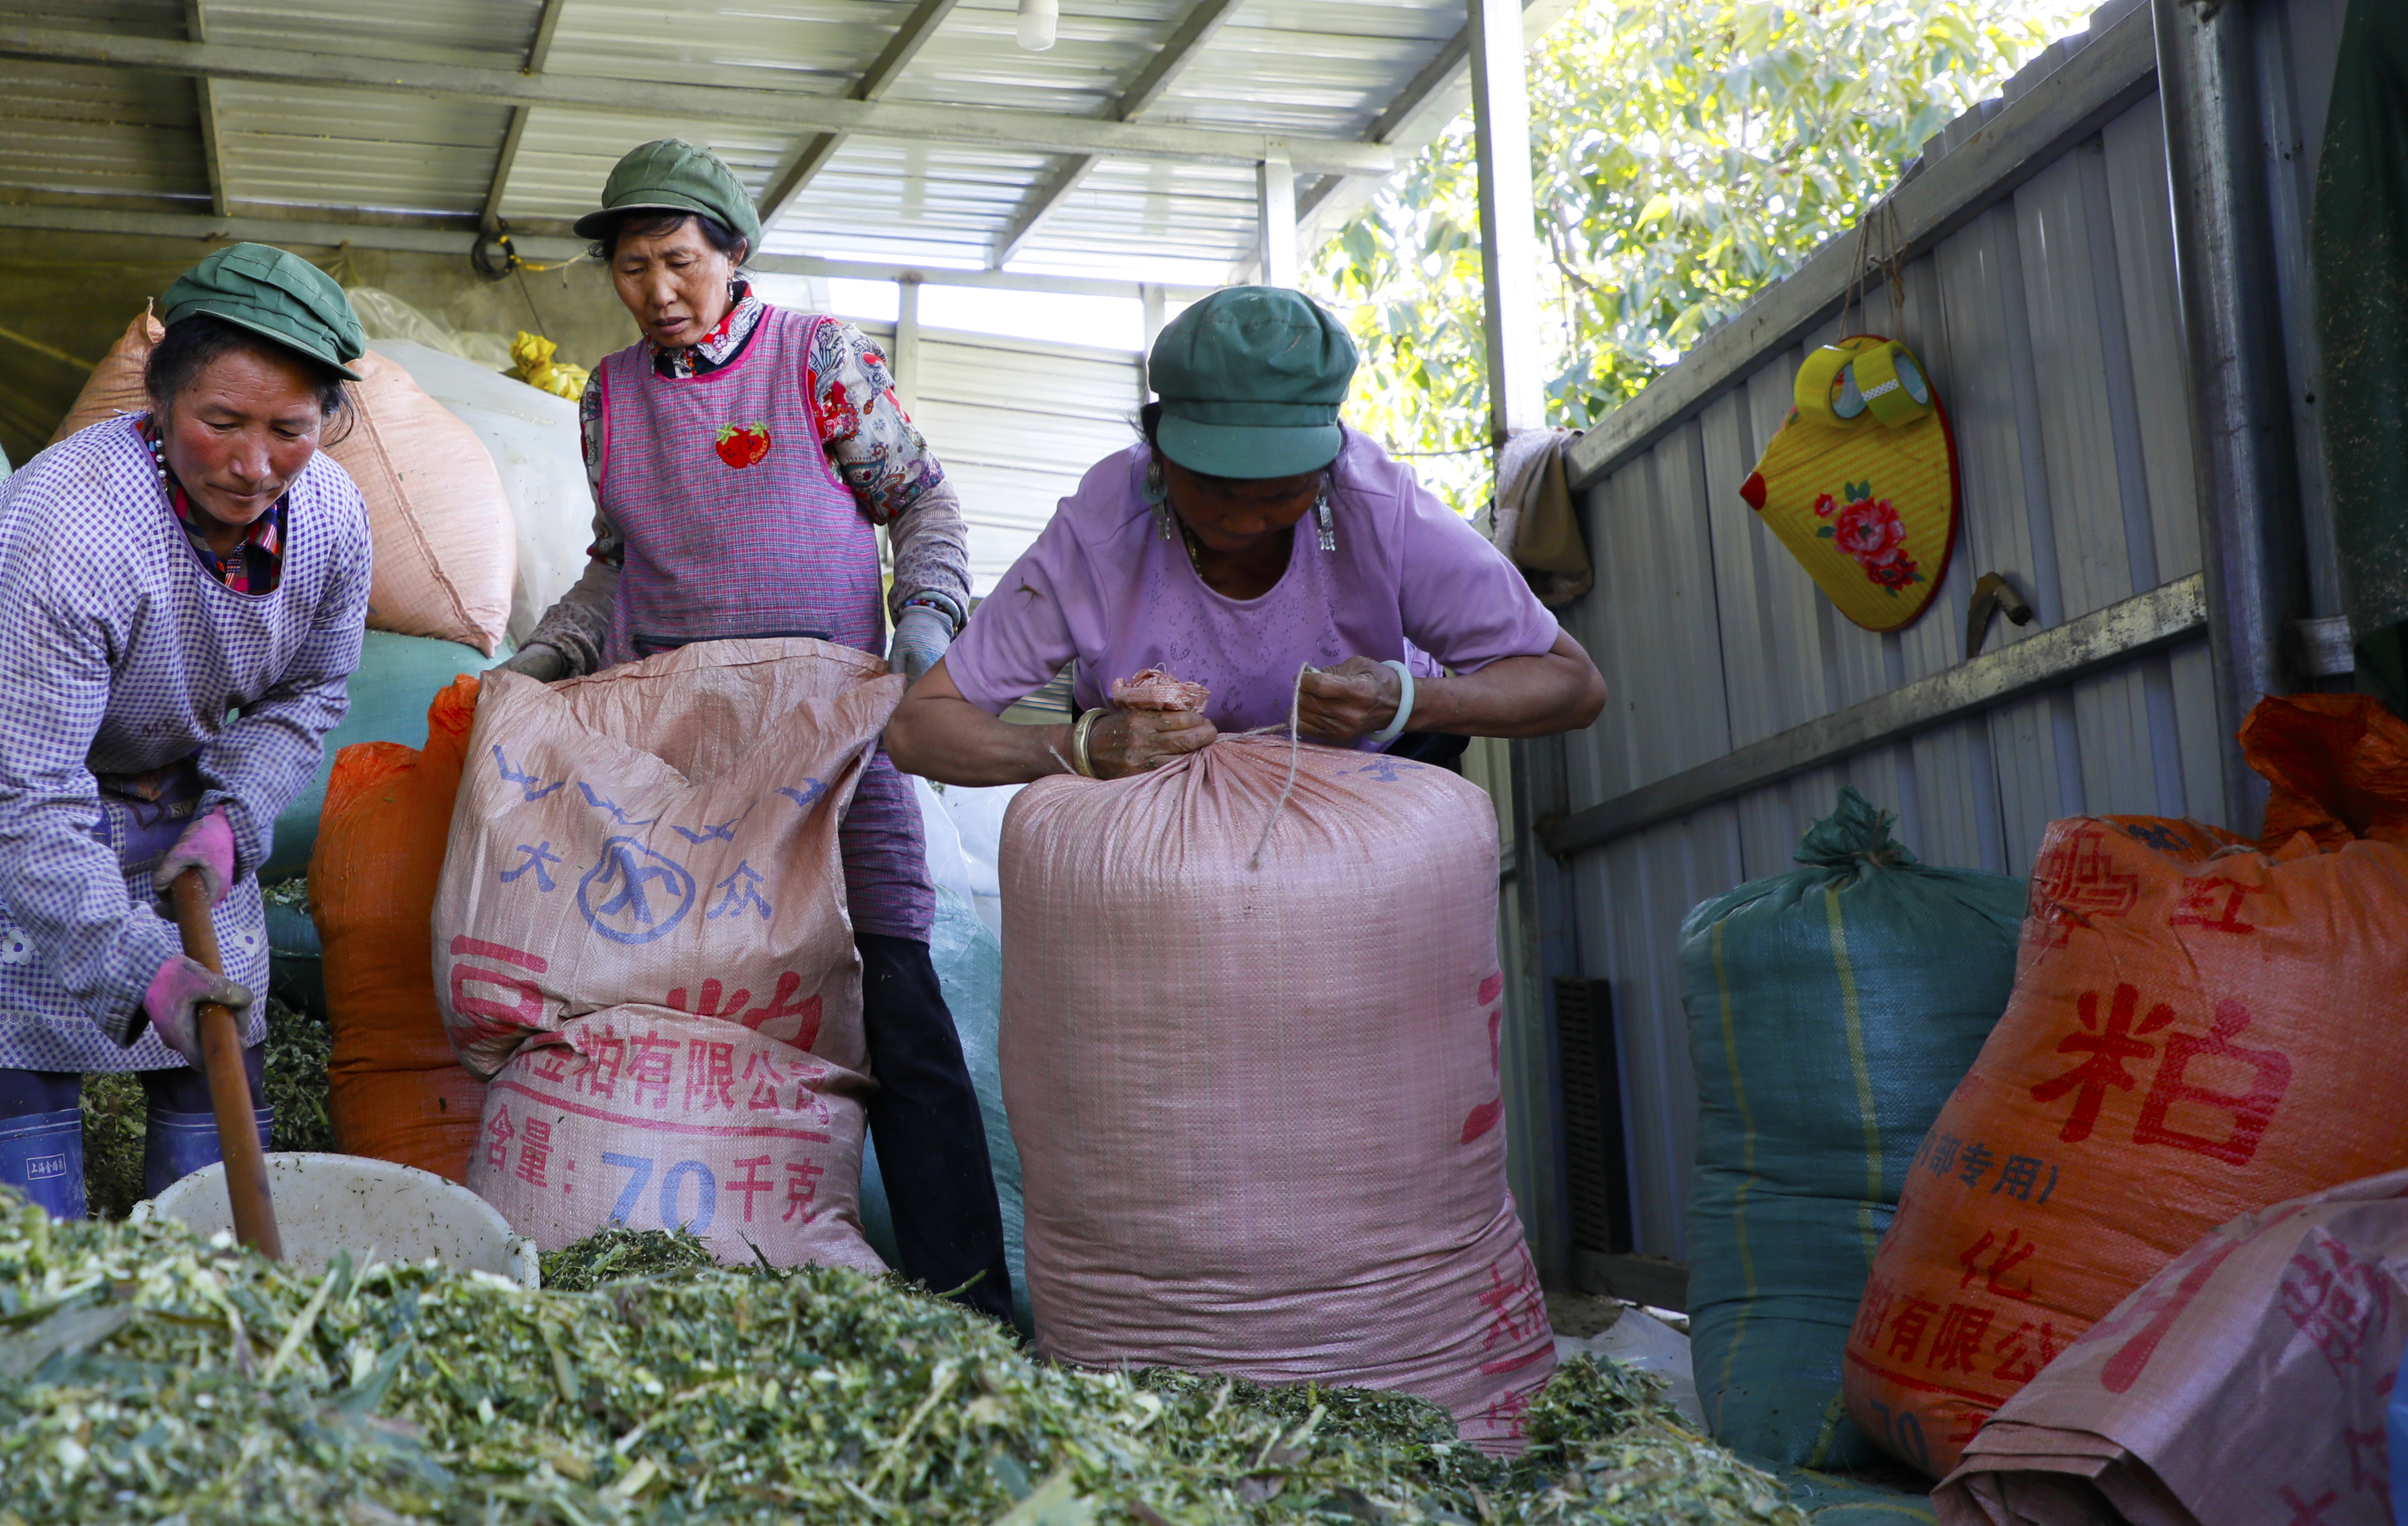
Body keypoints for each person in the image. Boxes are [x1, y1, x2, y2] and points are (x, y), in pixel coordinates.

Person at [497, 137, 1015, 1320]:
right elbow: (615, 568)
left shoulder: (818, 359)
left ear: (735, 255)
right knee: (706, 1023)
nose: (659, 292)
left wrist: (926, 623)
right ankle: (714, 1290)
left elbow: (921, 497)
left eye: (680, 261)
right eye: (631, 269)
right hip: (682, 767)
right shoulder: (609, 398)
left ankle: (970, 1316)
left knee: (899, 1010)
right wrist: (534, 664)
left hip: (834, 751)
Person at [0, 245, 373, 1219]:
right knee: (13, 949)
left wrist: (236, 812)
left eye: (289, 430)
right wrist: (137, 968)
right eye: (219, 422)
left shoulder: (334, 521)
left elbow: (311, 691)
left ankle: (196, 1196)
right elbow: (23, 790)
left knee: (214, 967)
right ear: (158, 400)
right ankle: (29, 1179)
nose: (252, 463)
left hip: (159, 723)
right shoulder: (79, 532)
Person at [885, 284, 1605, 787]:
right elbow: (921, 729)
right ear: (1159, 452)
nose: (1244, 519)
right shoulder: (1103, 529)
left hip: (1376, 782)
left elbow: (1572, 686)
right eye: (1214, 487)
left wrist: (1409, 700)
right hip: (1149, 801)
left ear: (1329, 460)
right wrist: (1077, 745)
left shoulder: (1381, 509)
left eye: (1283, 492)